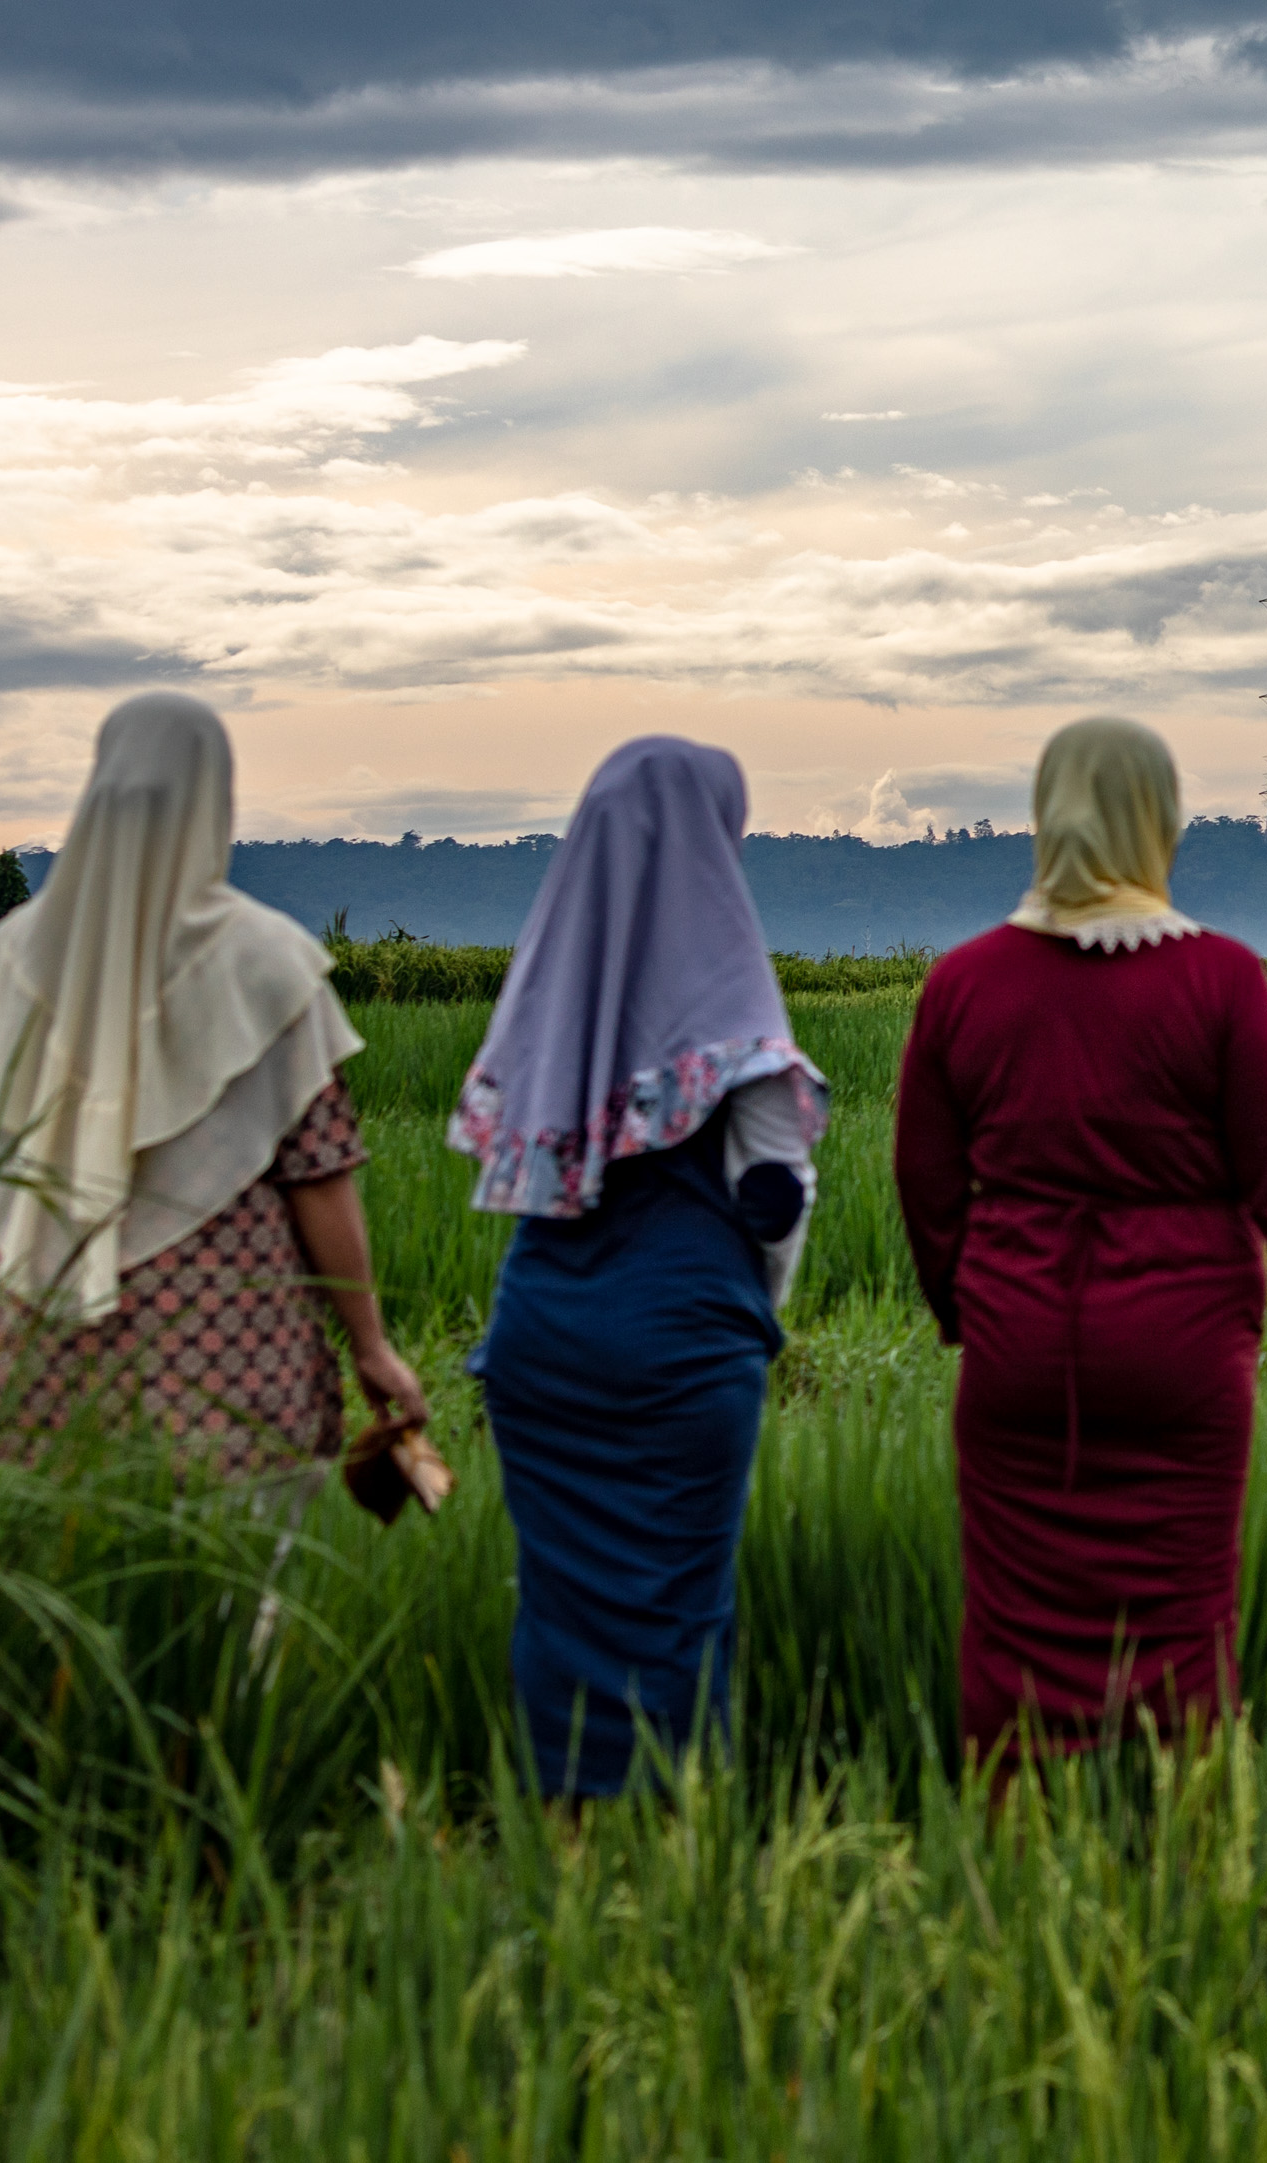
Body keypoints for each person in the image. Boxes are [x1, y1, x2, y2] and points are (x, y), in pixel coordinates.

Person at [897, 715, 1267, 1759]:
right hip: (1181, 1359)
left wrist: (970, 1314)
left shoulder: (963, 985)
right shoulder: (1219, 981)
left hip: (1019, 1356)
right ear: (1162, 824)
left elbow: (927, 1187)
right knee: (1183, 1636)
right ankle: (1187, 1876)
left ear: (1042, 820)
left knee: (1013, 1641)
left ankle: (1011, 1880)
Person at [454, 737, 824, 1799]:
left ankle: (557, 1843)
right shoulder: (735, 1017)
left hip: (539, 1336)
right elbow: (778, 1200)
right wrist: (747, 1323)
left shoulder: (550, 998)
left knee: (558, 1607)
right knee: (677, 1607)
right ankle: (665, 1862)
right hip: (682, 1341)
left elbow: (527, 1167)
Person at [0, 693, 428, 1486]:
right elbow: (319, 1175)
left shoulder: (9, 963)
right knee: (229, 1596)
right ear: (216, 799)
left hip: (38, 1360)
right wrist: (371, 1346)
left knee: (47, 1585)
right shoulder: (268, 961)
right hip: (231, 1369)